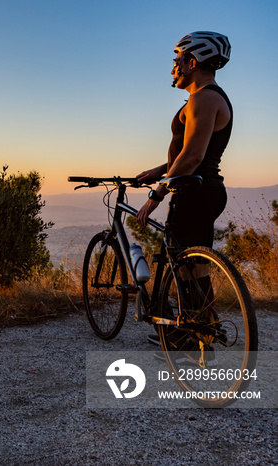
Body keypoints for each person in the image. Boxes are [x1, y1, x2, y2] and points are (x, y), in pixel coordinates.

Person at [135, 31, 232, 351]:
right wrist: (159, 169)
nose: (173, 68)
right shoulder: (209, 97)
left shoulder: (203, 97)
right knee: (194, 266)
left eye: (177, 61)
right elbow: (190, 152)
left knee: (187, 266)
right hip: (205, 189)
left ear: (192, 62)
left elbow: (192, 157)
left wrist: (156, 194)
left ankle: (192, 337)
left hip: (193, 191)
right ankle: (204, 328)